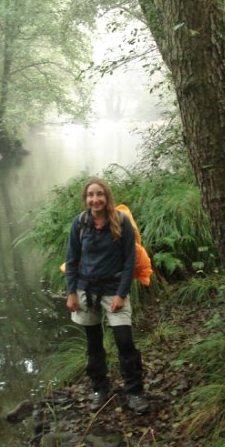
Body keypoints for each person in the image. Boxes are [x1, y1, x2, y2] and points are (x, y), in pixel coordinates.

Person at [64, 177, 149, 414]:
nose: (95, 199)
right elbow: (71, 260)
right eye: (91, 195)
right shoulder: (79, 224)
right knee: (93, 343)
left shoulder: (121, 222)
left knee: (124, 341)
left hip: (114, 290)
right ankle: (99, 388)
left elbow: (129, 260)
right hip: (85, 290)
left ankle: (134, 391)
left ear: (107, 197)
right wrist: (71, 293)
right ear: (86, 199)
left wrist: (122, 294)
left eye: (99, 194)